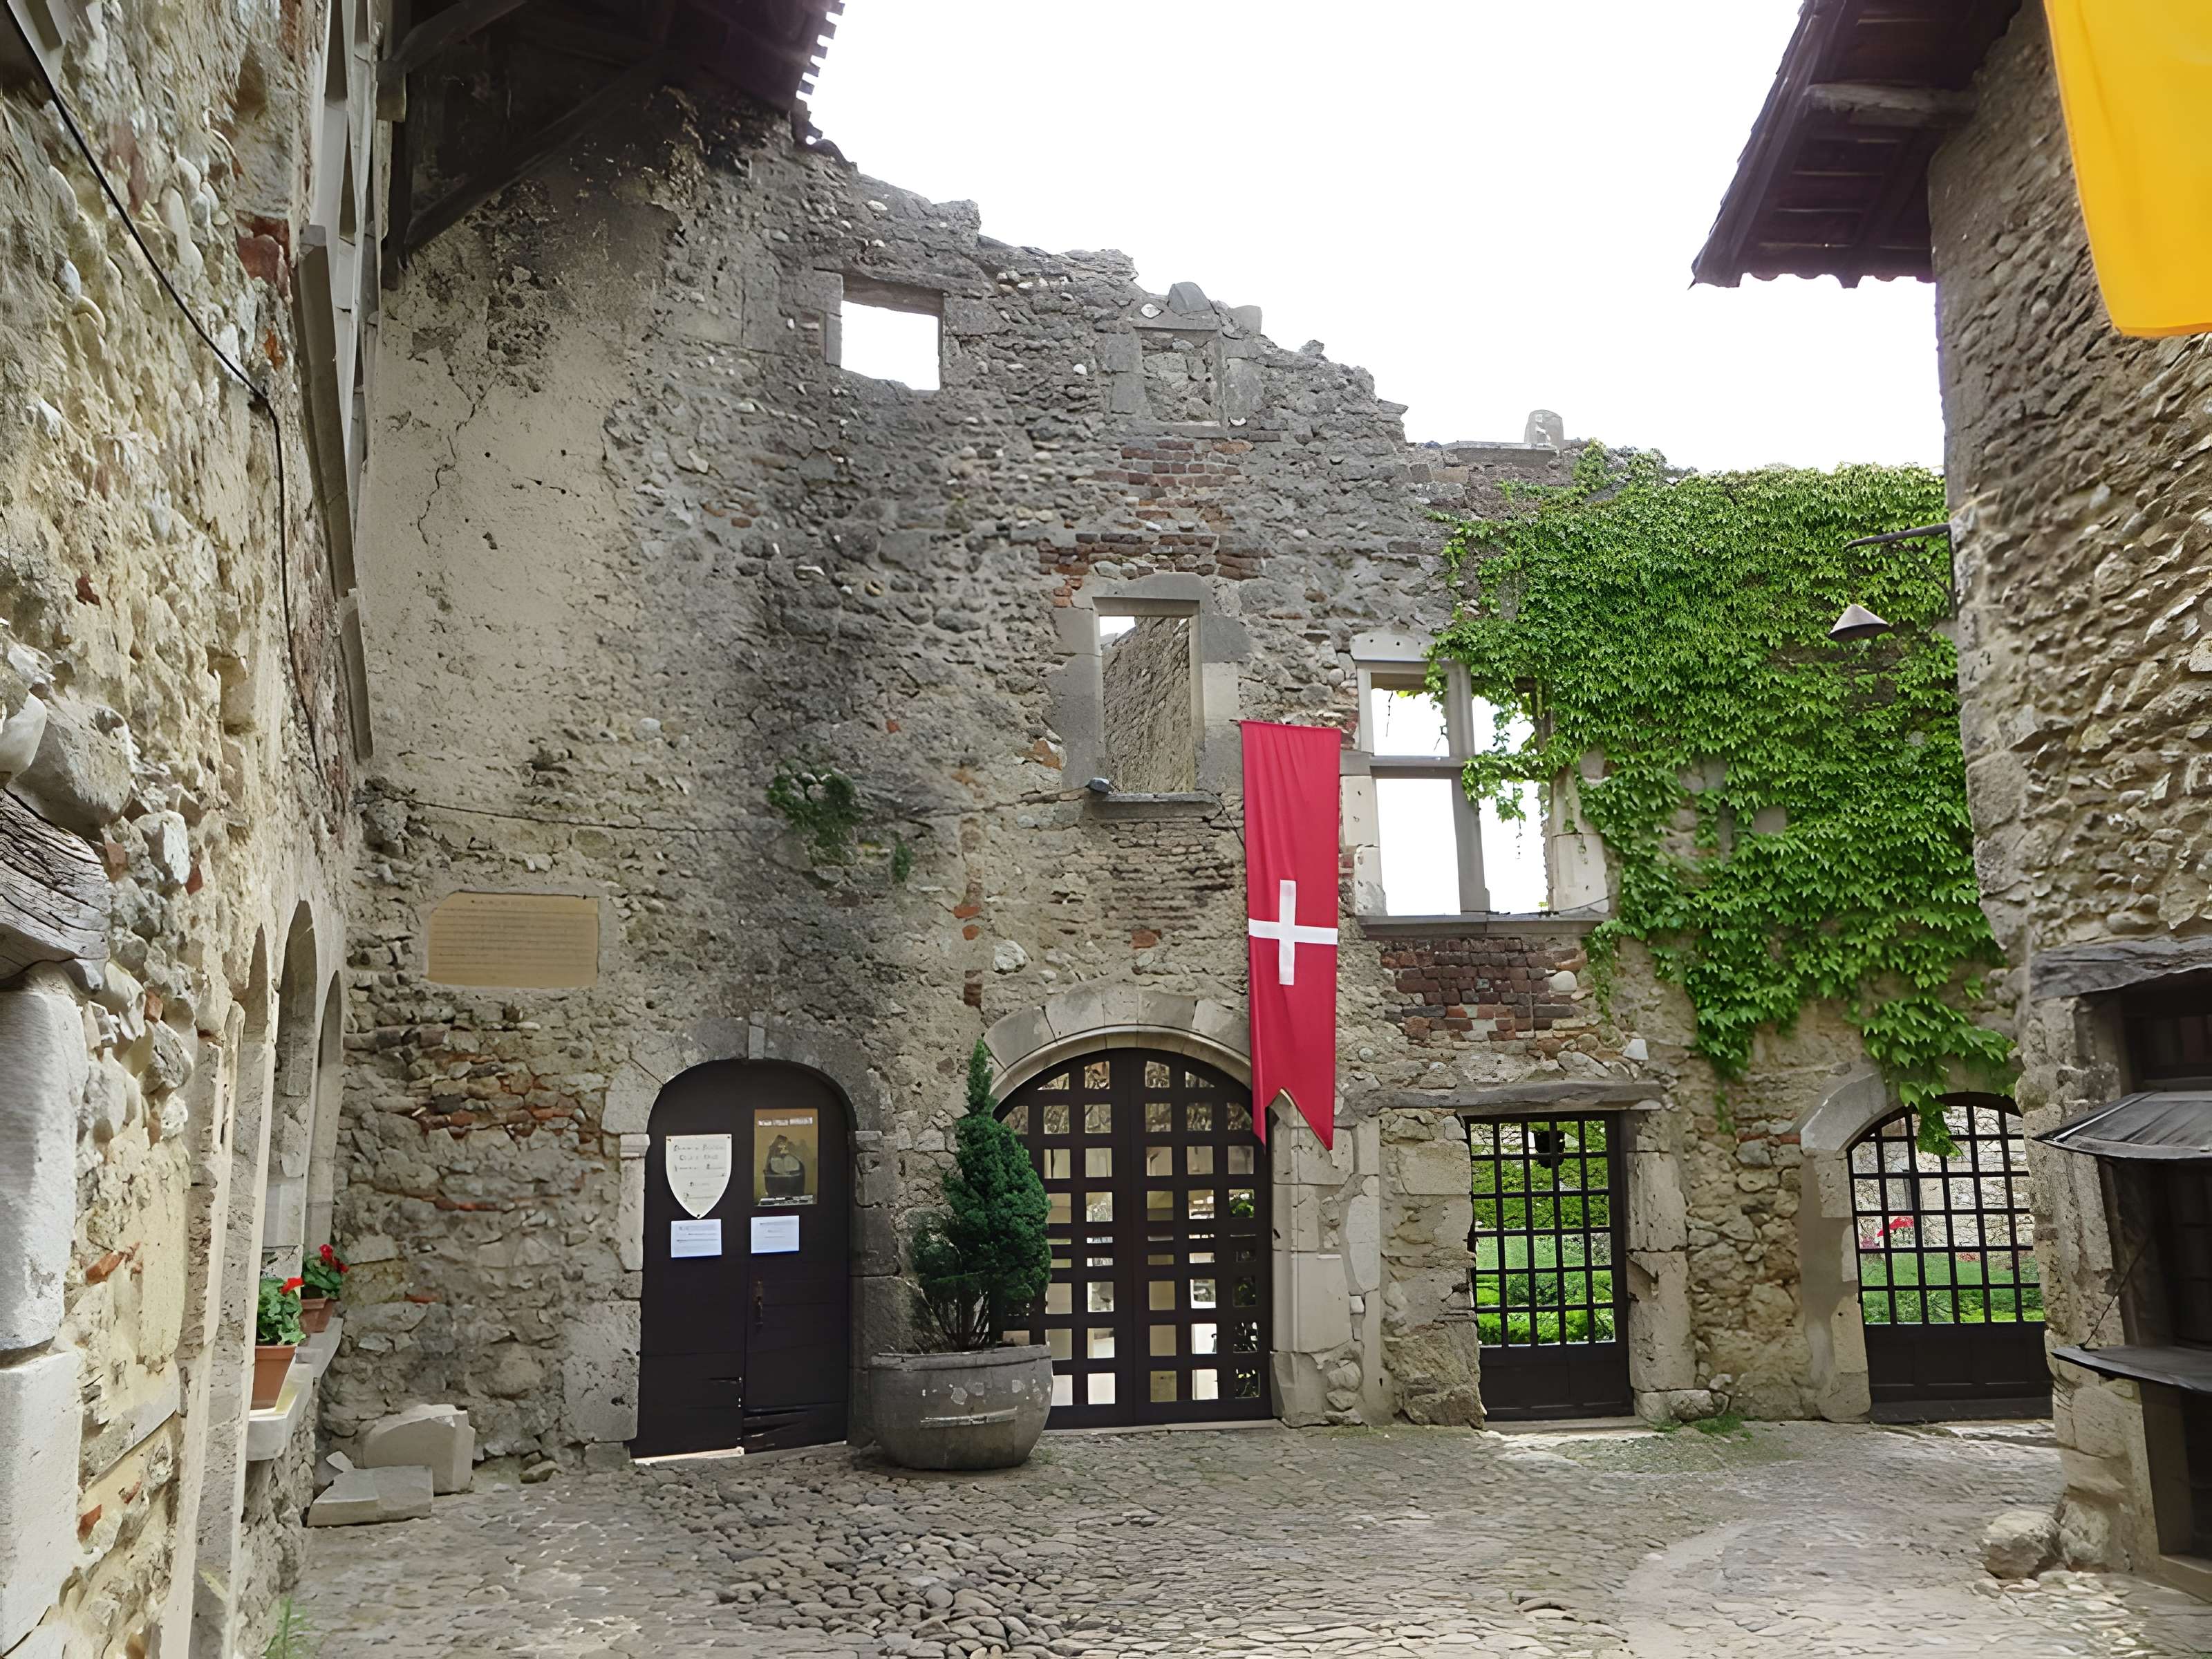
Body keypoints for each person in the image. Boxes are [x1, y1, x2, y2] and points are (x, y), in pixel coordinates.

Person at [762, 1133, 808, 1202]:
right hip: (778, 1193)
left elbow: (799, 1175)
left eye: (785, 1144)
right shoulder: (772, 1161)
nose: (784, 1147)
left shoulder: (793, 1159)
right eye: (781, 1144)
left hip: (791, 1193)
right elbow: (770, 1178)